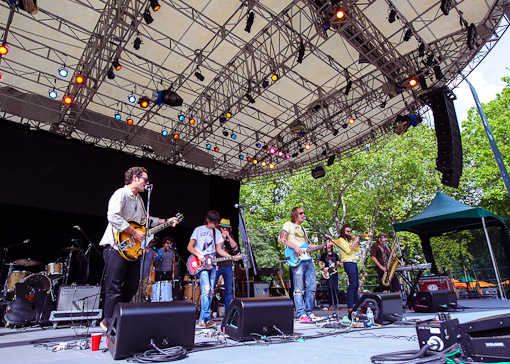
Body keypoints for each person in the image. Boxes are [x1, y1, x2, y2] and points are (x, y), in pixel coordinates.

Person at [99, 166, 177, 331]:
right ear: (135, 178)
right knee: (114, 286)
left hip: (132, 250)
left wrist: (166, 221)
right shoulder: (121, 193)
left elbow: (146, 221)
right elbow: (112, 216)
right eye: (145, 179)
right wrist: (134, 232)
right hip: (117, 246)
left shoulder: (139, 200)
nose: (147, 183)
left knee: (132, 285)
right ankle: (108, 321)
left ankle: (121, 318)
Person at [188, 210, 240, 328]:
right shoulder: (198, 230)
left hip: (211, 264)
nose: (215, 225)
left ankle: (202, 319)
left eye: (216, 223)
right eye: (214, 223)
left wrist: (232, 257)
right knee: (206, 289)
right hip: (201, 264)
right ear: (208, 220)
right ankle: (206, 318)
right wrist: (199, 255)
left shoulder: (216, 232)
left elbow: (219, 250)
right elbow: (189, 247)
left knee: (210, 292)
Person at [279, 207, 323, 323]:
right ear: (295, 214)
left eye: (304, 213)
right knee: (298, 288)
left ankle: (309, 312)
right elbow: (282, 239)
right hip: (296, 259)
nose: (303, 215)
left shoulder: (303, 229)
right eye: (301, 213)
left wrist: (323, 245)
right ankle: (301, 314)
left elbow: (307, 245)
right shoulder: (288, 224)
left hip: (307, 259)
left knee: (312, 286)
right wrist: (295, 247)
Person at [331, 226, 360, 318]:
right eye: (347, 231)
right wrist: (355, 241)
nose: (349, 232)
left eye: (350, 231)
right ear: (343, 231)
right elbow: (347, 251)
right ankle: (350, 306)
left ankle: (358, 303)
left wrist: (355, 241)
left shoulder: (348, 241)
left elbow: (357, 250)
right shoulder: (340, 240)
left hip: (354, 262)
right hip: (348, 262)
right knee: (352, 284)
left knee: (356, 284)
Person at [215, 218, 240, 315]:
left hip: (228, 266)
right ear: (219, 228)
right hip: (216, 265)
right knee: (212, 289)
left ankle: (228, 314)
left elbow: (235, 248)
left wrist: (228, 236)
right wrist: (221, 238)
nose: (224, 230)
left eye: (227, 228)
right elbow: (216, 249)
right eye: (222, 228)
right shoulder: (216, 236)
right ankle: (208, 314)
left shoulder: (230, 236)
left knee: (229, 291)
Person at [318, 241, 342, 310]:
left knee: (336, 288)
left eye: (329, 247)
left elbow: (337, 263)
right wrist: (323, 269)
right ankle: (331, 304)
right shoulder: (324, 255)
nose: (328, 248)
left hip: (334, 273)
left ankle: (336, 304)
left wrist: (339, 264)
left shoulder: (335, 255)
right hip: (328, 273)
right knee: (330, 288)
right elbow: (319, 263)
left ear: (331, 247)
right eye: (327, 247)